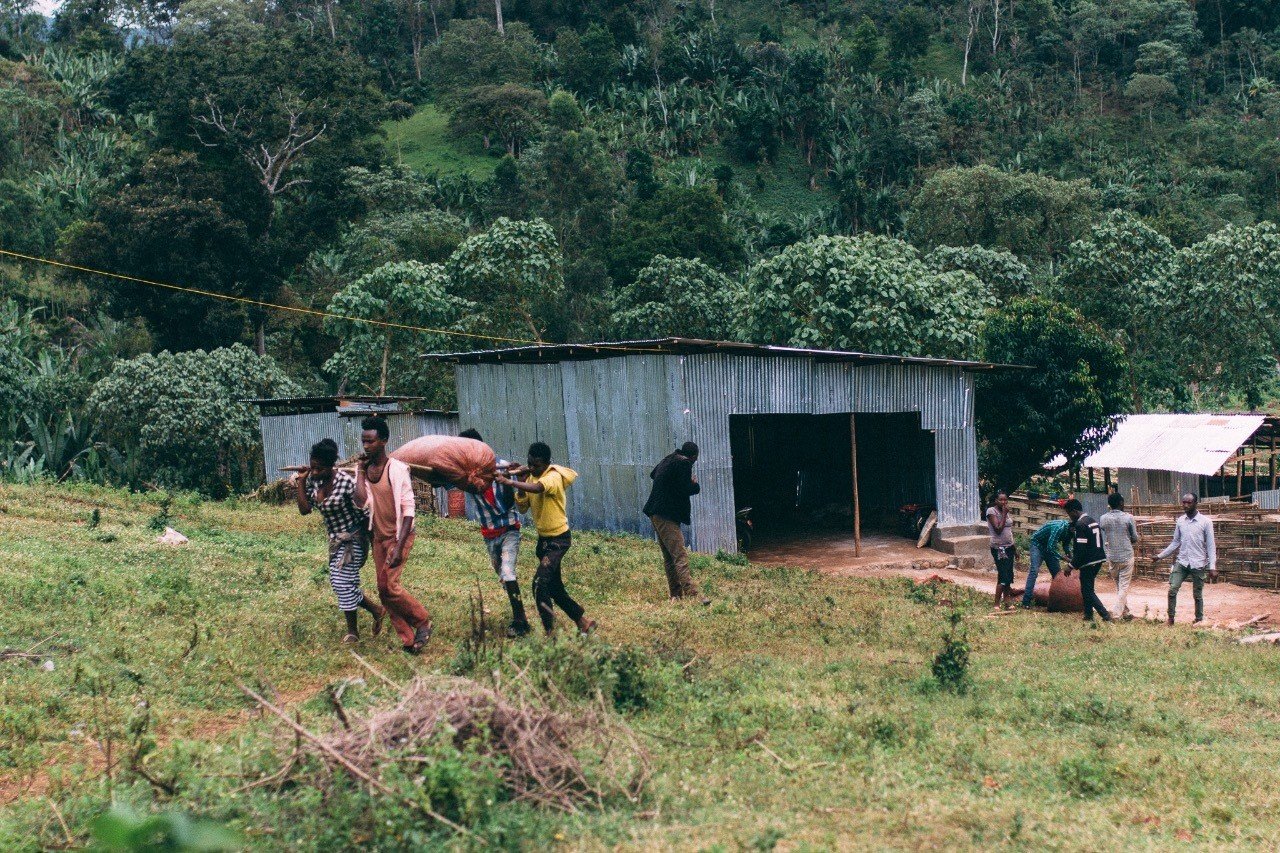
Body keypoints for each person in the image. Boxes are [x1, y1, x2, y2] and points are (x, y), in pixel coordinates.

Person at [353, 416, 433, 654]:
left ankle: (422, 621)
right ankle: (408, 639)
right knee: (383, 589)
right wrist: (358, 471)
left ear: (384, 441)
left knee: (389, 586)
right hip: (378, 537)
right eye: (363, 441)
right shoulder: (366, 471)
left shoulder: (396, 469)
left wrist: (398, 548)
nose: (366, 446)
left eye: (371, 441)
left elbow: (409, 511)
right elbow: (360, 502)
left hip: (400, 536)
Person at [294, 438, 386, 644]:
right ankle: (377, 610)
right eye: (313, 468)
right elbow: (304, 509)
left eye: (319, 469)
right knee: (341, 583)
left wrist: (372, 544)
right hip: (336, 541)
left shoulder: (346, 482)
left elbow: (364, 512)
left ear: (331, 466)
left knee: (342, 581)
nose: (315, 472)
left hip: (354, 538)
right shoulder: (313, 481)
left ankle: (353, 632)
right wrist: (301, 480)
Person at [499, 442, 596, 635]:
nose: (532, 468)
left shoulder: (553, 476)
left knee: (539, 583)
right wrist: (520, 481)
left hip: (558, 541)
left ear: (547, 463)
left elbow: (539, 488)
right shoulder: (531, 478)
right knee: (554, 588)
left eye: (536, 465)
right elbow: (523, 507)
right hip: (543, 542)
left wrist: (511, 482)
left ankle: (550, 633)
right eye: (529, 464)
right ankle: (584, 623)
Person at [458, 428, 530, 638]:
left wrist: (506, 481)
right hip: (488, 533)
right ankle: (518, 609)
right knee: (503, 576)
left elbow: (507, 504)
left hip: (509, 530)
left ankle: (520, 621)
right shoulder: (463, 474)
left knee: (508, 573)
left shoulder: (502, 466)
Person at [642, 441, 709, 605]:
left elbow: (653, 474)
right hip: (666, 514)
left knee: (669, 556)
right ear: (694, 456)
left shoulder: (669, 458)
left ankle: (676, 595)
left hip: (655, 512)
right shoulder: (684, 463)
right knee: (680, 554)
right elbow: (684, 489)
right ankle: (692, 595)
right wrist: (695, 485)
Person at [1156, 494, 1218, 625]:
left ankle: (1198, 620)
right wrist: (1160, 556)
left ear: (1196, 503)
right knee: (1172, 589)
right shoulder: (1180, 521)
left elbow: (1211, 546)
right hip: (1182, 561)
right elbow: (1175, 542)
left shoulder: (1206, 522)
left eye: (1189, 503)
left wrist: (1212, 567)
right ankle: (1171, 619)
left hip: (1198, 563)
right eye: (1183, 502)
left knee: (1197, 594)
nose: (1185, 505)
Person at [1063, 498, 1112, 623]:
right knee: (1087, 588)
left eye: (1069, 514)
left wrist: (1071, 565)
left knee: (1087, 590)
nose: (1070, 517)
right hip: (1098, 558)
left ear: (1074, 511)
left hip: (1089, 561)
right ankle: (1088, 614)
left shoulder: (1080, 524)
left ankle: (1105, 615)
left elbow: (1081, 550)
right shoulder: (1091, 520)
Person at [1099, 492, 1140, 620]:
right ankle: (1116, 615)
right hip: (1126, 556)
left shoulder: (1103, 518)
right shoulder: (1128, 518)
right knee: (1123, 587)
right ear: (1121, 503)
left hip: (1112, 556)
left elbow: (1105, 530)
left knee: (1118, 586)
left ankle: (1126, 612)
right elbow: (1134, 538)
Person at [1021, 516, 1071, 607]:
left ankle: (1058, 602)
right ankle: (1026, 602)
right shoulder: (1059, 527)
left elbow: (1066, 545)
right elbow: (1050, 547)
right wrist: (1063, 558)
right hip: (1037, 545)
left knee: (1057, 575)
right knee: (1034, 571)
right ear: (1072, 528)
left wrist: (1070, 556)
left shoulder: (1071, 531)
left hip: (1049, 548)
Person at [986, 491, 1016, 607]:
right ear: (996, 501)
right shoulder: (991, 511)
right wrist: (1003, 513)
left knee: (1009, 574)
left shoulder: (1006, 512)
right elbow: (998, 529)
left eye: (1005, 500)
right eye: (1001, 500)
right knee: (1003, 575)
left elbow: (1009, 532)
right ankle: (996, 604)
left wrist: (1015, 548)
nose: (1003, 502)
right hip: (999, 548)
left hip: (1009, 547)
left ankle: (1007, 601)